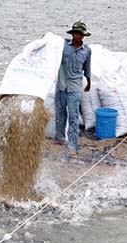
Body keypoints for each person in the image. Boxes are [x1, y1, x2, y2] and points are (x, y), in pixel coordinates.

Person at [53, 21, 92, 158]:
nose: (78, 36)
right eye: (76, 33)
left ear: (83, 36)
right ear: (72, 34)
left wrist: (88, 82)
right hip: (61, 85)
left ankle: (72, 146)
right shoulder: (63, 45)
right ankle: (59, 137)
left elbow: (87, 68)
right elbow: (49, 41)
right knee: (60, 112)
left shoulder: (86, 51)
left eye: (80, 34)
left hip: (75, 88)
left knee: (74, 116)